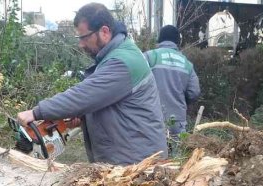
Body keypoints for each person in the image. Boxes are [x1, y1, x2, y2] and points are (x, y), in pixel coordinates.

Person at [16, 3, 166, 165]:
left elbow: (83, 95)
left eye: (84, 37)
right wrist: (84, 116)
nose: (81, 44)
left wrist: (36, 112)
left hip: (137, 164)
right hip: (129, 158)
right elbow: (108, 102)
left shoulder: (123, 62)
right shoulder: (116, 56)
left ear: (105, 32)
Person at [144, 25, 201, 140]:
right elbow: (194, 92)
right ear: (177, 42)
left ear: (159, 39)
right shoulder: (186, 63)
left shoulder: (150, 57)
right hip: (177, 120)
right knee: (178, 156)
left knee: (154, 157)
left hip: (151, 118)